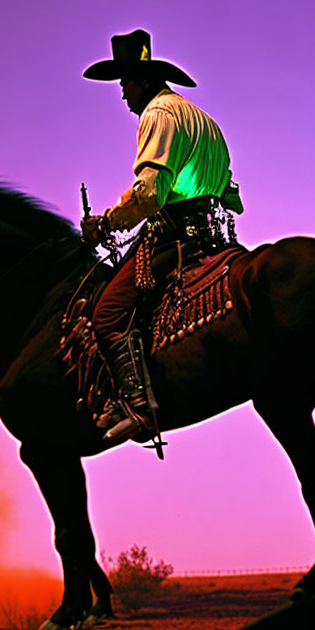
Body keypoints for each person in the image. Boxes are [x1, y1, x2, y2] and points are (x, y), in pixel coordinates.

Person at [81, 29, 243, 443]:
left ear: (144, 81)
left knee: (107, 313)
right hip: (218, 238)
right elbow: (231, 195)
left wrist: (107, 221)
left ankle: (136, 405)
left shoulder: (158, 115)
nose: (123, 95)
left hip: (175, 241)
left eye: (125, 83)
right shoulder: (204, 120)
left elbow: (150, 195)